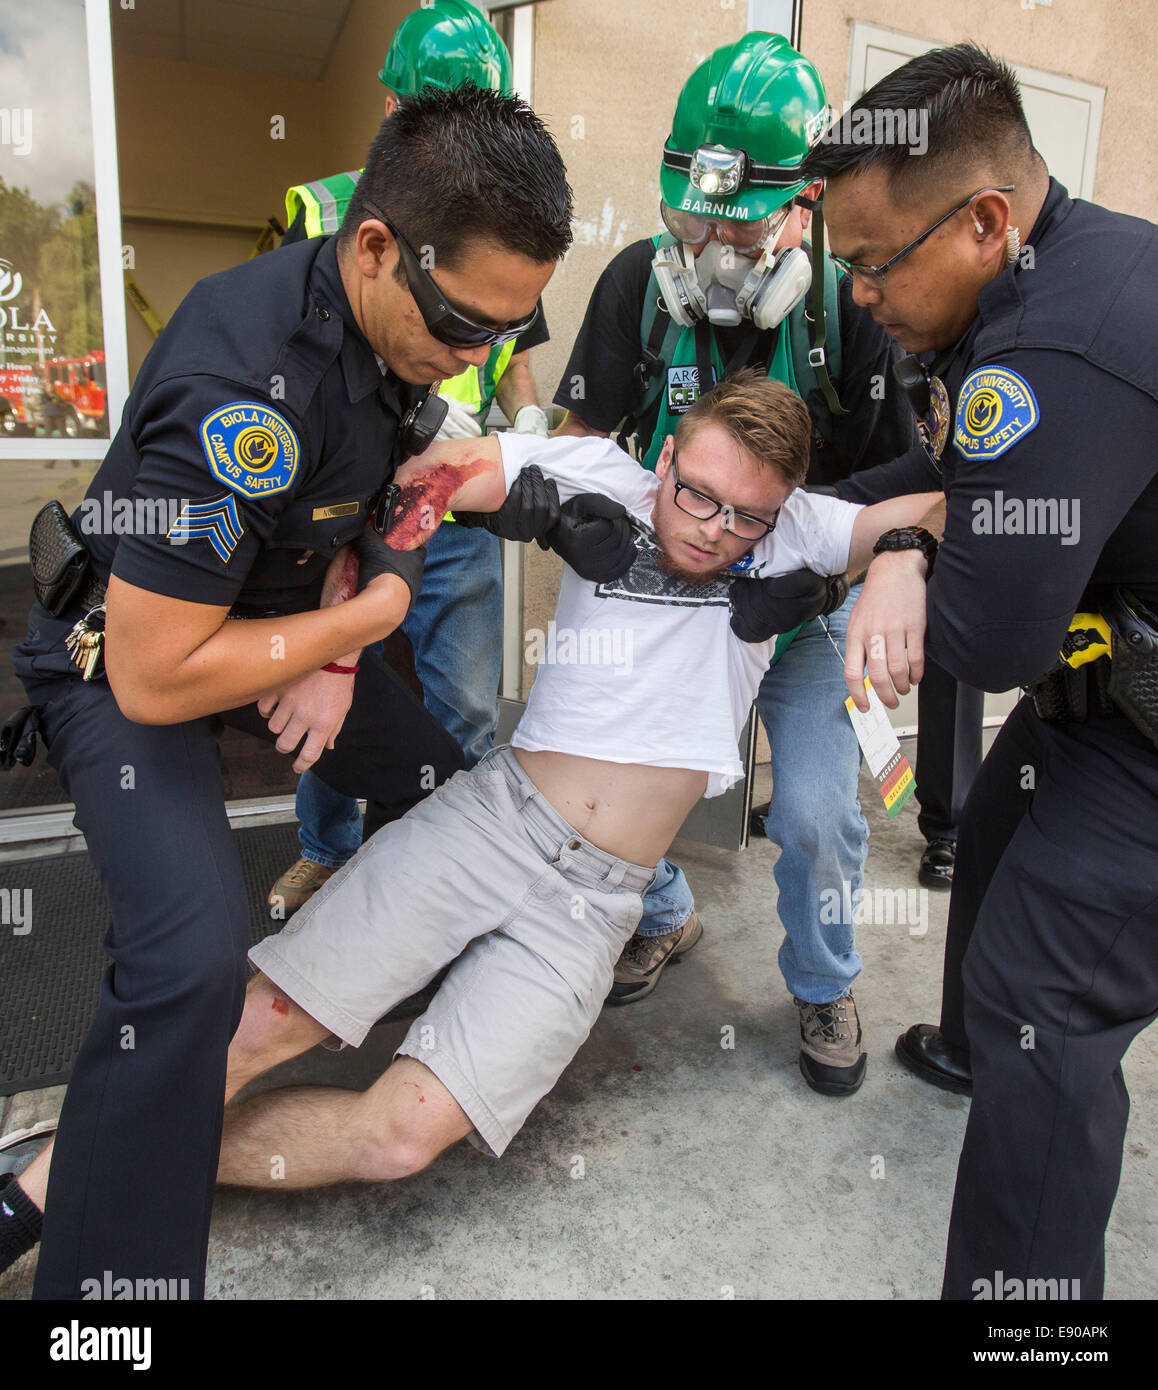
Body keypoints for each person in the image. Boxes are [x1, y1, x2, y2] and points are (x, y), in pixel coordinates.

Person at [14, 375, 939, 1236]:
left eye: (747, 518)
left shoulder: (796, 532)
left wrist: (891, 562)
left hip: (600, 904)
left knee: (398, 1135)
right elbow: (426, 475)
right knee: (263, 1024)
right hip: (497, 822)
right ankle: (38, 1195)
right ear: (665, 459)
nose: (712, 531)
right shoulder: (603, 476)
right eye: (696, 493)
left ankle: (127, 1155)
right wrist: (490, 510)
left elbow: (942, 505)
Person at [0, 86, 579, 1300]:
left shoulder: (403, 328)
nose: (479, 362)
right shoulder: (242, 388)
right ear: (376, 249)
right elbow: (159, 673)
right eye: (467, 328)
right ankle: (96, 1288)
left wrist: (332, 657)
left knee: (454, 797)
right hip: (129, 663)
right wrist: (361, 620)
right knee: (190, 959)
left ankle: (386, 1019)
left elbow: (416, 484)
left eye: (505, 335)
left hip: (279, 627)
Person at [805, 43, 1158, 1298]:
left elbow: (993, 640)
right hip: (1101, 680)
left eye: (870, 265)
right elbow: (954, 477)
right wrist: (806, 517)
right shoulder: (1029, 278)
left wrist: (892, 559)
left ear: (984, 220)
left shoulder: (1060, 351)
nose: (859, 299)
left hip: (1144, 738)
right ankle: (969, 1046)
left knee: (1045, 995)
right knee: (998, 838)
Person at [554, 32, 916, 1094]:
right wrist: (573, 510)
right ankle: (666, 917)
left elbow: (915, 470)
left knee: (814, 812)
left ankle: (822, 978)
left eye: (738, 214)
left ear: (803, 204)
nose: (709, 239)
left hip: (808, 612)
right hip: (674, 602)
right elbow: (581, 433)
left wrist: (826, 564)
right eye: (690, 212)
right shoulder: (634, 282)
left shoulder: (854, 305)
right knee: (630, 780)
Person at [273, 0, 554, 916]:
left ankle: (428, 888)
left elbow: (517, 360)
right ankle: (328, 848)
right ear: (392, 107)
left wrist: (533, 431)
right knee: (327, 690)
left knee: (462, 712)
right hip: (347, 502)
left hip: (456, 510)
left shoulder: (496, 229)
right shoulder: (328, 211)